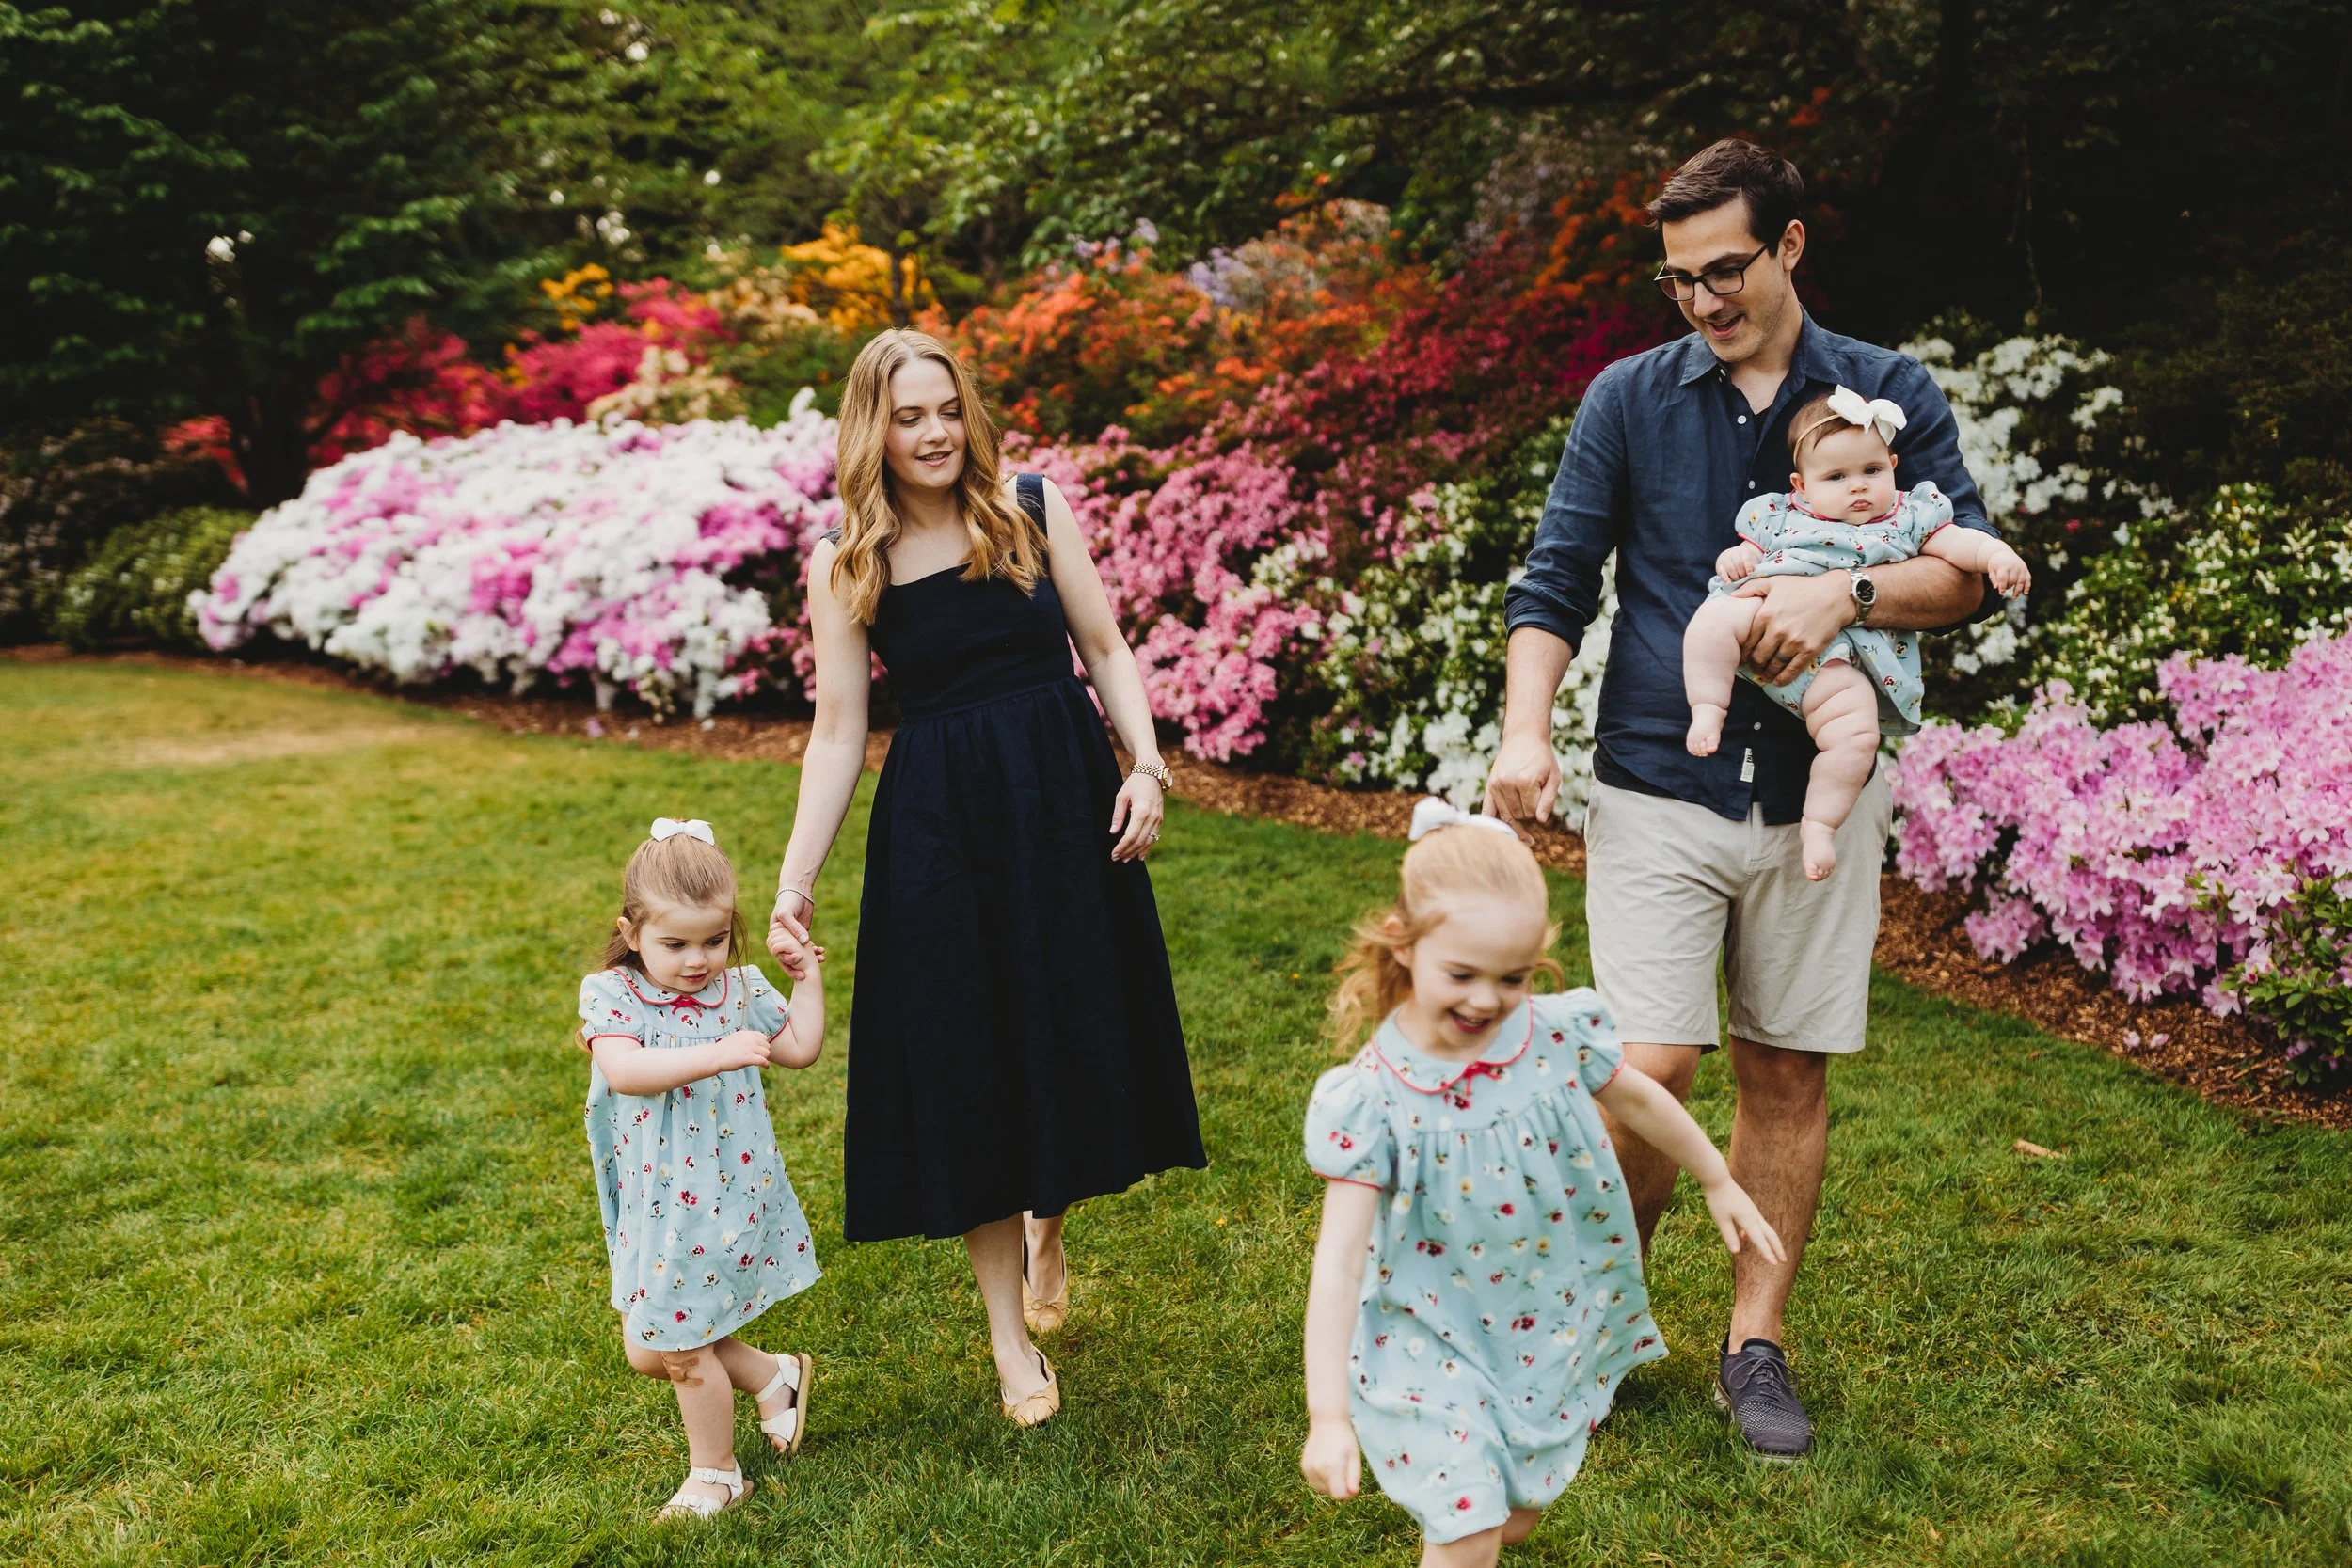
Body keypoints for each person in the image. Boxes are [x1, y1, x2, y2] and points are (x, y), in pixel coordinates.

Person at [1485, 138, 2003, 1461]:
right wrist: (1525, 731)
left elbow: (1972, 570)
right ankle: (1599, 1323)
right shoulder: (1627, 398)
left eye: (1726, 269)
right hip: (1661, 773)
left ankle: (1753, 1344)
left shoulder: (1885, 395)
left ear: (1789, 245)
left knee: (1783, 1071)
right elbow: (1557, 577)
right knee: (1648, 1065)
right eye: (1678, 282)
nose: (1705, 301)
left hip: (1822, 792)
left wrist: (1852, 591)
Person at [768, 329, 1206, 1427]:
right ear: (871, 428)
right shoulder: (846, 558)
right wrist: (796, 876)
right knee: (967, 1058)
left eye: (945, 409)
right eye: (907, 415)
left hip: (1058, 798)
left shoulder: (1027, 505)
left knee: (1060, 1027)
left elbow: (1104, 648)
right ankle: (1009, 1337)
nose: (931, 433)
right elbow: (836, 729)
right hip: (937, 825)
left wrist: (1145, 764)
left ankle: (1048, 1216)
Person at [1296, 800, 1785, 1568]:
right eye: (1462, 974)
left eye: (1513, 976)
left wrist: (1717, 1176)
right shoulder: (1374, 1098)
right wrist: (1328, 1415)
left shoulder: (1551, 1032)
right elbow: (1339, 1262)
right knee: (1469, 1531)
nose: (1488, 1000)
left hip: (1530, 1312)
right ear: (1404, 946)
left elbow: (1638, 1096)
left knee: (1514, 1512)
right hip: (1426, 1328)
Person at [575, 817, 826, 1521]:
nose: (698, 960)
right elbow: (624, 1070)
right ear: (631, 932)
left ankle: (715, 1473)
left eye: (714, 940)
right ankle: (771, 1375)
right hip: (655, 1197)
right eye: (675, 942)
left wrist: (805, 978)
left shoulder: (739, 990)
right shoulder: (614, 996)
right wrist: (716, 1052)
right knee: (648, 1345)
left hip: (724, 1195)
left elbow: (801, 1046)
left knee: (679, 1347)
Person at [1683, 387, 2030, 879]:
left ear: (1892, 464)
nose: (1858, 488)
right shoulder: (1781, 514)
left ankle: (1819, 825)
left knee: (1855, 736)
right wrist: (1736, 558)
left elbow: (1962, 545)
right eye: (1837, 477)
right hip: (1761, 614)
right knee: (1712, 621)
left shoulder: (1911, 517)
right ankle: (1708, 709)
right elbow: (1740, 556)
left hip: (1843, 665)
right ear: (1801, 486)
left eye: (1871, 471)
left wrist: (1997, 556)